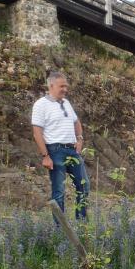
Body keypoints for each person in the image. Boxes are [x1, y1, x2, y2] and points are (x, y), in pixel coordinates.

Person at [31, 72, 90, 221]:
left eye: (66, 86)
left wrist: (80, 139)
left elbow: (76, 122)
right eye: (61, 86)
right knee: (59, 191)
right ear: (51, 86)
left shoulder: (66, 103)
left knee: (84, 185)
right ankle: (60, 230)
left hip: (72, 150)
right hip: (55, 150)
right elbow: (37, 132)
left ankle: (81, 224)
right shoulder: (41, 104)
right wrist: (45, 156)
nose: (65, 89)